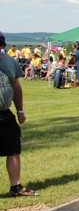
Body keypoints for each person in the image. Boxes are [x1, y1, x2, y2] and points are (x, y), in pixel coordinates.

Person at [0, 31, 38, 197]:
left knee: (14, 149)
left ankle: (16, 187)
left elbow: (16, 87)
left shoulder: (10, 62)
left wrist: (20, 110)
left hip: (5, 113)